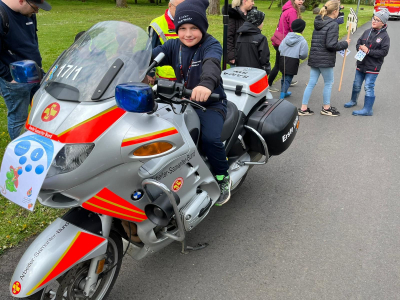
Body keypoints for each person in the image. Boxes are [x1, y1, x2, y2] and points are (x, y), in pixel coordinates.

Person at [152, 0, 232, 206]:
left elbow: (212, 64)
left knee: (210, 139)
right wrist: (129, 62)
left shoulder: (211, 45)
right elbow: (151, 56)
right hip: (179, 102)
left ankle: (223, 177)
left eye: (194, 28)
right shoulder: (172, 46)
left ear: (203, 28)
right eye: (183, 28)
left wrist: (206, 85)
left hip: (209, 103)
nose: (188, 34)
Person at [0, 0, 51, 140]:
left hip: (36, 73)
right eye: (35, 7)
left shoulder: (28, 13)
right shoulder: (1, 14)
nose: (36, 12)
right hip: (15, 81)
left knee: (43, 110)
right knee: (18, 119)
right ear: (22, 1)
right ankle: (20, 151)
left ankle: (40, 141)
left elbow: (31, 41)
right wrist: (10, 77)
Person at [298, 0, 349, 117]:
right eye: (339, 11)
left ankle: (303, 108)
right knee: (329, 82)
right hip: (325, 59)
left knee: (311, 82)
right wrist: (344, 44)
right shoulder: (333, 24)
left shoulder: (319, 20)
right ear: (335, 11)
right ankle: (326, 108)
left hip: (315, 57)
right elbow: (331, 45)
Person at [344, 8, 390, 116]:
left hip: (373, 67)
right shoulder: (367, 32)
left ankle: (368, 109)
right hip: (361, 64)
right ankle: (353, 101)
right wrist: (359, 47)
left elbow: (383, 52)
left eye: (377, 20)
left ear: (383, 23)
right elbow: (358, 42)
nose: (374, 21)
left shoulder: (385, 37)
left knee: (368, 86)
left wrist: (368, 51)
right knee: (356, 84)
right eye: (374, 18)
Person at [269, 0, 303, 92]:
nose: (301, 1)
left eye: (303, 0)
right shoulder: (292, 11)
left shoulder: (288, 8)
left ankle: (287, 80)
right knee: (280, 64)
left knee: (284, 63)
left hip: (280, 40)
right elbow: (294, 28)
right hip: (283, 42)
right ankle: (269, 84)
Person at [148, 0, 185, 84]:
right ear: (170, 5)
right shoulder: (157, 24)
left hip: (187, 76)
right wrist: (150, 72)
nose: (181, 11)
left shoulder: (190, 21)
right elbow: (150, 51)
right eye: (178, 8)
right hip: (165, 78)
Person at [278, 19, 308, 99]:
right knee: (288, 78)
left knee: (284, 76)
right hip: (293, 61)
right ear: (302, 29)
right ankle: (282, 94)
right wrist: (300, 56)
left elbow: (280, 48)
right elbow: (304, 54)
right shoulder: (302, 41)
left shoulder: (286, 38)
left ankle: (284, 91)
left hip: (283, 59)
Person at [235, 9, 271, 74]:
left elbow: (236, 55)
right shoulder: (261, 38)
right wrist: (266, 71)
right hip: (256, 74)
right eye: (262, 22)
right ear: (257, 22)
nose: (263, 24)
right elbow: (264, 59)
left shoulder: (240, 36)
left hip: (241, 72)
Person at [226, 0, 255, 66]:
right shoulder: (232, 16)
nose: (253, 3)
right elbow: (228, 36)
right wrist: (231, 55)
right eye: (252, 1)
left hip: (250, 55)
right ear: (244, 1)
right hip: (237, 55)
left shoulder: (252, 15)